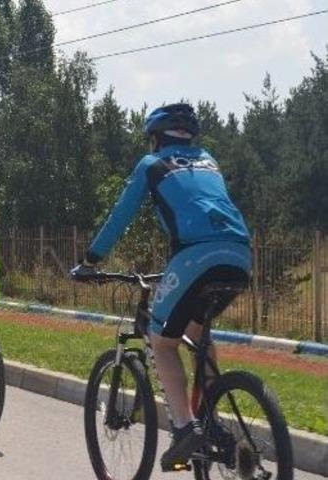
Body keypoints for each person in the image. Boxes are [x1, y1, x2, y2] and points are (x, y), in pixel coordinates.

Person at [70, 103, 251, 470]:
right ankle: (211, 416)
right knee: (198, 335)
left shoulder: (152, 165)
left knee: (162, 341)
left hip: (194, 257)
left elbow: (120, 216)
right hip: (240, 254)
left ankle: (185, 428)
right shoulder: (208, 160)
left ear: (156, 138)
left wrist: (90, 261)